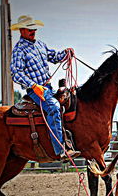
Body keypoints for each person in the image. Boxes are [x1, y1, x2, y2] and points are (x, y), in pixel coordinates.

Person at [10, 15, 80, 160]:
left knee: (71, 100)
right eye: (29, 29)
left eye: (34, 28)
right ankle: (60, 149)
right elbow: (15, 73)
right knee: (54, 108)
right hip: (36, 91)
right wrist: (33, 85)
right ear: (21, 30)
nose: (33, 31)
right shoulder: (19, 50)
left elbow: (53, 56)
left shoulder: (40, 44)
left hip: (48, 88)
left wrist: (65, 53)